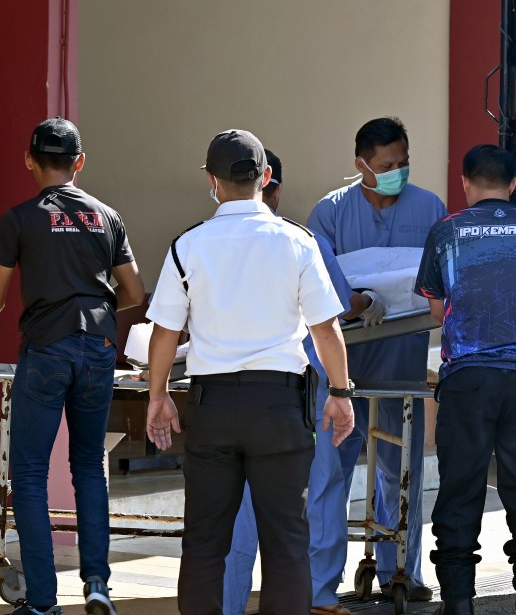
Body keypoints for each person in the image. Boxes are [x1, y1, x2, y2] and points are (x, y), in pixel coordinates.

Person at [146, 130, 356, 615]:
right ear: (265, 178)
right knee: (286, 544)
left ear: (212, 182)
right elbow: (326, 332)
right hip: (281, 409)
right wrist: (340, 393)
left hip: (211, 407)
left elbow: (164, 334)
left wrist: (158, 395)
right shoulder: (299, 242)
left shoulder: (188, 245)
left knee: (203, 542)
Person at [0, 117, 145, 615]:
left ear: (30, 160)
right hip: (98, 348)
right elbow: (135, 293)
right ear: (80, 163)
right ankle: (97, 585)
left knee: (29, 475)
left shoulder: (18, 219)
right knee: (88, 470)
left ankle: (43, 603)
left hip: (47, 350)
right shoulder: (107, 218)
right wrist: (91, 311)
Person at [220, 150, 378, 615]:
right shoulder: (303, 240)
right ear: (275, 185)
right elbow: (334, 314)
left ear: (217, 183)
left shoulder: (207, 242)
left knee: (241, 501)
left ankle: (230, 603)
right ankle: (320, 596)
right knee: (323, 488)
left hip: (235, 393)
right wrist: (366, 304)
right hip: (308, 388)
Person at [415, 145, 516, 615]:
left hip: (467, 378)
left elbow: (437, 306)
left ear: (465, 182)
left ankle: (458, 601)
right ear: (515, 184)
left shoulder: (445, 232)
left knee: (460, 490)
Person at [306, 116, 448, 602]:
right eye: (387, 165)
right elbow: (316, 284)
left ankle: (401, 573)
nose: (398, 172)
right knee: (330, 472)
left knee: (398, 466)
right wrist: (360, 300)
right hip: (339, 360)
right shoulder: (329, 212)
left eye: (404, 162)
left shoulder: (430, 208)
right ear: (360, 165)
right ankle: (321, 585)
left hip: (399, 359)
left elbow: (441, 280)